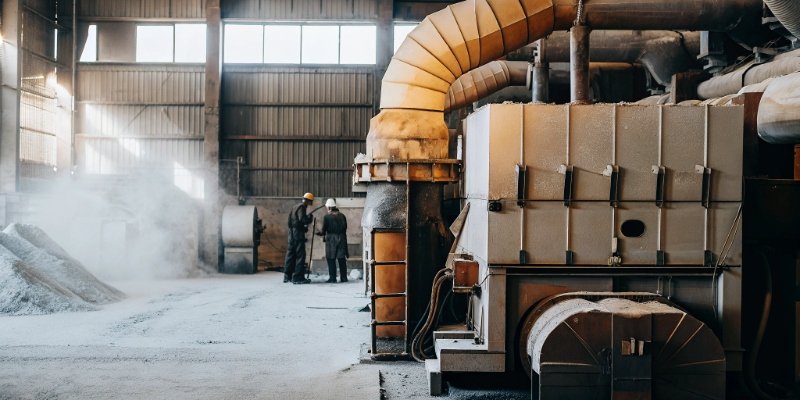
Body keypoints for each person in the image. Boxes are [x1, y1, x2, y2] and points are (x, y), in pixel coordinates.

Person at [284, 193, 314, 284]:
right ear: (309, 201)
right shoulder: (302, 207)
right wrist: (309, 218)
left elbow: (289, 222)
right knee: (300, 256)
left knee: (290, 255)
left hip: (291, 235)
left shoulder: (294, 207)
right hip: (297, 235)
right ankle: (298, 277)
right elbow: (303, 220)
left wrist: (300, 229)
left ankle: (287, 276)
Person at [317, 198, 349, 283]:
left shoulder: (327, 217)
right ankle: (344, 278)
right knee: (341, 258)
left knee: (331, 259)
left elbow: (324, 231)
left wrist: (319, 233)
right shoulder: (342, 216)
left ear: (329, 207)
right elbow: (345, 227)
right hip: (342, 238)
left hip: (331, 239)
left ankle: (333, 278)